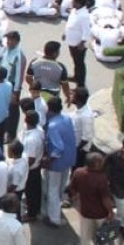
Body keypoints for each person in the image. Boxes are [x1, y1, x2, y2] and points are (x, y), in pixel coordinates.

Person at [70, 153, 116, 245]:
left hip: (85, 210)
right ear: (97, 164)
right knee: (103, 233)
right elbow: (105, 198)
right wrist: (111, 211)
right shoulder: (101, 178)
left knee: (85, 232)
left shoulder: (78, 172)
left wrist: (76, 199)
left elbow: (73, 189)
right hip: (101, 212)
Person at [42, 96, 77, 226]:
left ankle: (53, 219)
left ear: (49, 109)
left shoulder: (52, 126)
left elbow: (58, 148)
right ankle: (58, 206)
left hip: (57, 163)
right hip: (69, 159)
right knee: (61, 186)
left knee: (53, 190)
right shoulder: (67, 119)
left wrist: (48, 160)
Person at [64, 0, 91, 88]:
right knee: (75, 61)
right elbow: (70, 23)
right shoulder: (74, 11)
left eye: (74, 1)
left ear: (79, 3)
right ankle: (76, 77)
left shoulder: (84, 16)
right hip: (71, 41)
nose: (72, 3)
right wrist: (65, 33)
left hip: (78, 44)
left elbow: (87, 31)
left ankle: (81, 84)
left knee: (80, 63)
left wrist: (82, 43)